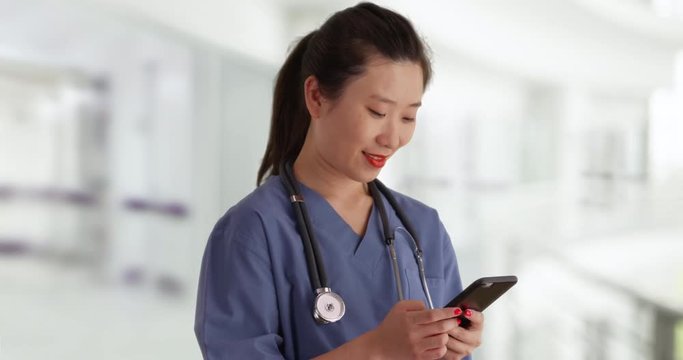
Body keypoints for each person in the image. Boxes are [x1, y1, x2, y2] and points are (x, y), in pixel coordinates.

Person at [194, 2, 484, 359]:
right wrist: (376, 349)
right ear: (316, 97)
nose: (392, 138)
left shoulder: (424, 230)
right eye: (377, 112)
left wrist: (453, 346)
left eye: (408, 117)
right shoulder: (253, 231)